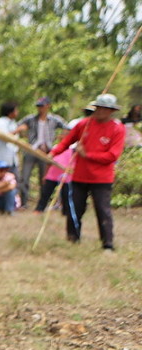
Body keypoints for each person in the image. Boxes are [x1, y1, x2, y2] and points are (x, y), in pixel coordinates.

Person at [49, 93, 125, 251]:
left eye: (105, 109)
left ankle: (107, 245)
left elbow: (112, 155)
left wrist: (87, 155)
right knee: (75, 209)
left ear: (111, 111)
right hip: (80, 175)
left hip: (102, 179)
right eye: (98, 108)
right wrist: (53, 152)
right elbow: (66, 141)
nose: (100, 111)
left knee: (103, 211)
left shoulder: (117, 128)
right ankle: (72, 238)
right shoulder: (84, 125)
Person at [17, 96, 66, 206]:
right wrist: (23, 130)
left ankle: (42, 203)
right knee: (24, 177)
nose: (40, 109)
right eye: (38, 106)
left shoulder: (54, 119)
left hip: (46, 152)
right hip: (32, 150)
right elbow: (19, 125)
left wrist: (61, 136)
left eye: (42, 106)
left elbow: (68, 127)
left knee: (44, 179)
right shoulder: (30, 119)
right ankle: (23, 203)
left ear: (48, 106)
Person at [0, 101, 27, 171]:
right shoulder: (0, 123)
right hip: (0, 158)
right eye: (16, 110)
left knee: (14, 180)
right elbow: (4, 137)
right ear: (11, 112)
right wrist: (17, 130)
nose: (18, 112)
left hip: (11, 159)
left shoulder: (13, 123)